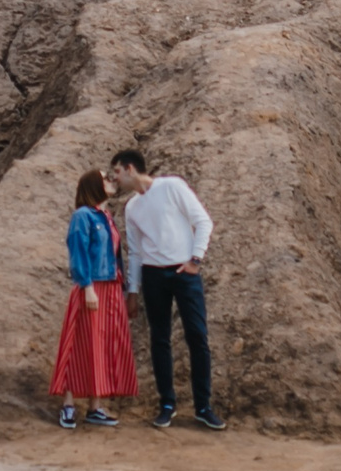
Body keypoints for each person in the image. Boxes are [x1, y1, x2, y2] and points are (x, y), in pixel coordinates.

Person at [110, 149, 222, 431]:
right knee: (160, 339)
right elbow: (134, 252)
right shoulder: (131, 207)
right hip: (153, 275)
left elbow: (203, 221)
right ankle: (167, 404)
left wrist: (196, 259)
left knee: (197, 336)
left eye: (117, 172)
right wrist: (132, 293)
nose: (115, 179)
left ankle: (203, 406)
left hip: (184, 272)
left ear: (130, 168)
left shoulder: (171, 186)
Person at [51, 171, 136, 428]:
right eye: (105, 178)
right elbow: (78, 253)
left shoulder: (106, 217)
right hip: (93, 285)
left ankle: (95, 407)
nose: (111, 180)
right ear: (92, 185)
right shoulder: (82, 216)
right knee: (79, 342)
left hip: (111, 286)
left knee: (102, 344)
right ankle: (68, 405)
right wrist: (87, 286)